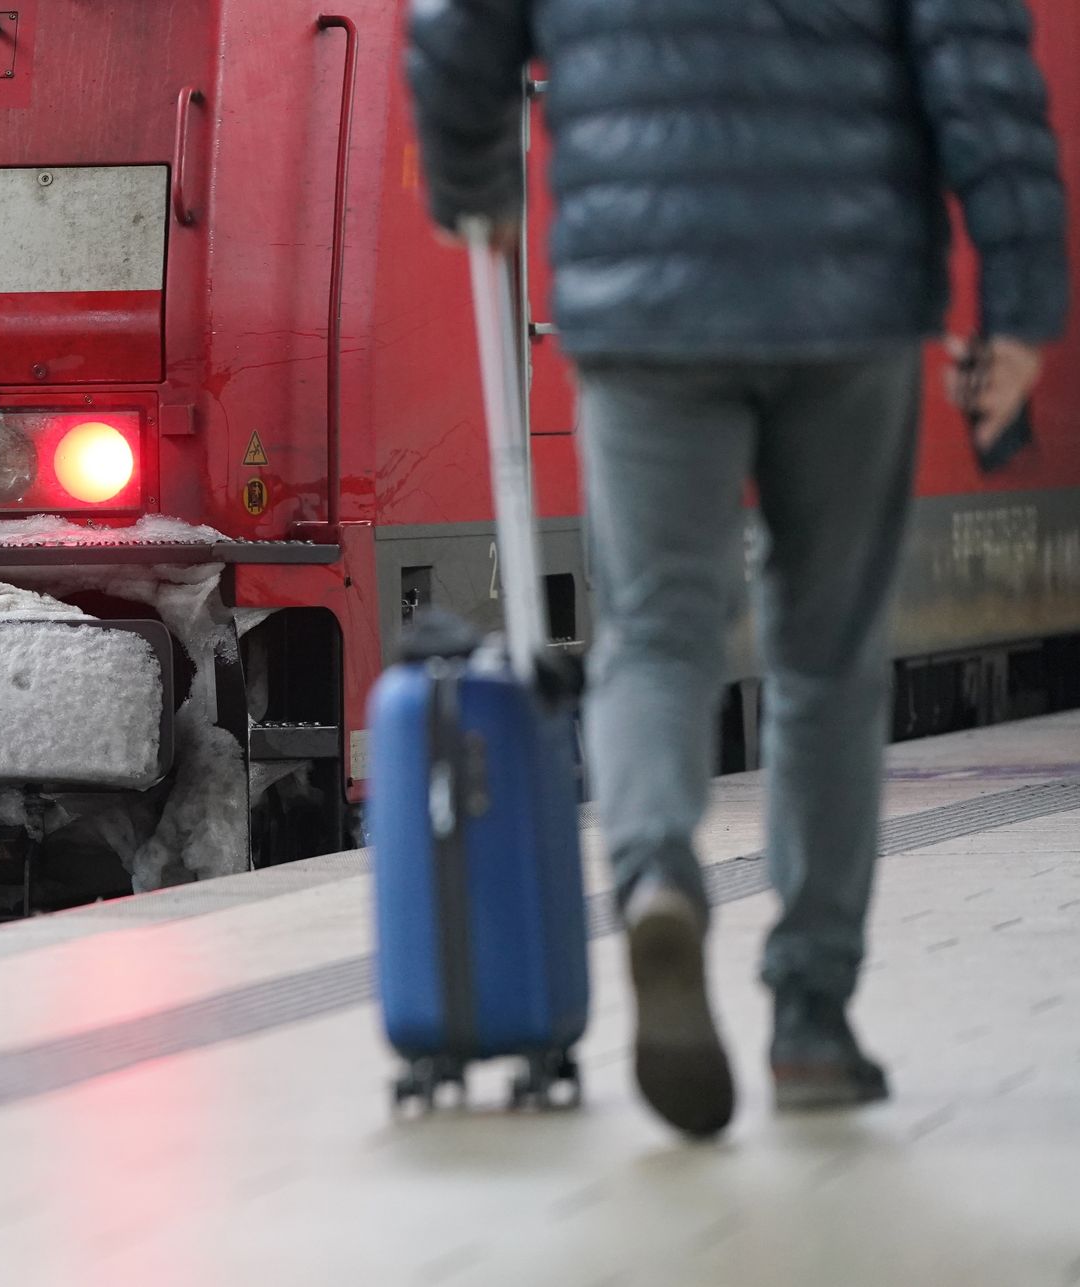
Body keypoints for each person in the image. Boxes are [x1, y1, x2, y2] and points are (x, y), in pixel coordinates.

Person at [405, 0, 1068, 1138]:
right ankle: (808, 1021)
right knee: (825, 661)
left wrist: (472, 180)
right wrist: (1019, 303)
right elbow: (979, 73)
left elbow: (456, 28)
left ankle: (658, 877)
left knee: (655, 638)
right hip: (845, 299)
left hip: (644, 306)